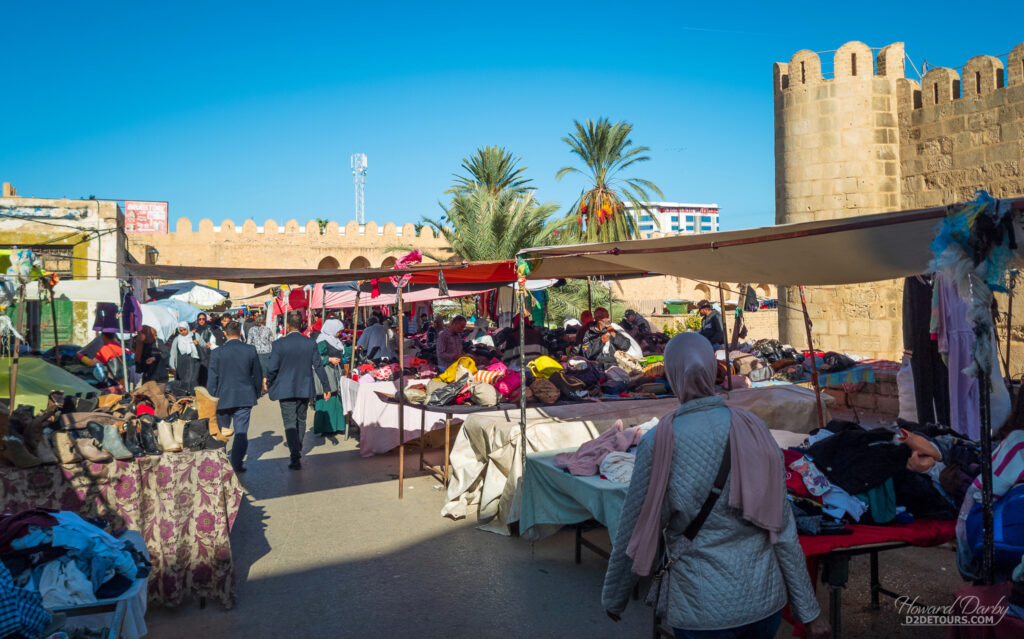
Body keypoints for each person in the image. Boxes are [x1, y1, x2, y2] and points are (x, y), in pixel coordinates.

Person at [602, 333, 830, 639]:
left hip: (701, 610)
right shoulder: (754, 428)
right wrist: (809, 612)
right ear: (712, 370)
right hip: (763, 604)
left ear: (671, 374)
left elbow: (634, 529)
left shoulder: (659, 441)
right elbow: (783, 528)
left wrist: (615, 597)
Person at [266, 312, 331, 470]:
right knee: (301, 420)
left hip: (285, 389)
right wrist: (326, 386)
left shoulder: (279, 344)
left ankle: (295, 454)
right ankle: (297, 447)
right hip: (304, 388)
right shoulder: (310, 343)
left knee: (289, 422)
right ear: (301, 325)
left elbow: (272, 368)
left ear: (287, 326)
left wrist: (269, 382)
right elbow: (319, 365)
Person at [207, 321, 263, 473]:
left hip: (222, 398)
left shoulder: (217, 352)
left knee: (221, 432)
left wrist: (210, 398)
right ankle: (237, 463)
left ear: (225, 334)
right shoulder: (250, 350)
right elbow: (258, 375)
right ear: (240, 333)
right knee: (241, 431)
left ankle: (220, 461)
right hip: (244, 397)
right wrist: (256, 393)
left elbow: (212, 379)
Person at [313, 318, 347, 437]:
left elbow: (340, 353)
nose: (340, 334)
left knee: (335, 401)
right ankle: (326, 428)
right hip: (325, 374)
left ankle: (336, 427)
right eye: (339, 331)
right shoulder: (321, 341)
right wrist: (329, 359)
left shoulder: (335, 341)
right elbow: (314, 359)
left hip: (334, 374)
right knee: (326, 401)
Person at [168, 322, 202, 393]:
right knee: (183, 382)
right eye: (181, 330)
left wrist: (198, 344)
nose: (183, 332)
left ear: (188, 328)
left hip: (194, 363)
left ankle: (192, 396)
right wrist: (172, 366)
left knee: (192, 381)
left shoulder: (195, 336)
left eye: (184, 330)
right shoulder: (177, 339)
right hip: (182, 364)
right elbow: (173, 353)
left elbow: (203, 346)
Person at [246, 318, 275, 391]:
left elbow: (249, 342)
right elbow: (272, 341)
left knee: (257, 369)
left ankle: (260, 386)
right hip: (267, 351)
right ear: (264, 321)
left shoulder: (251, 330)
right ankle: (264, 385)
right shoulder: (267, 329)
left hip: (255, 351)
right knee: (265, 369)